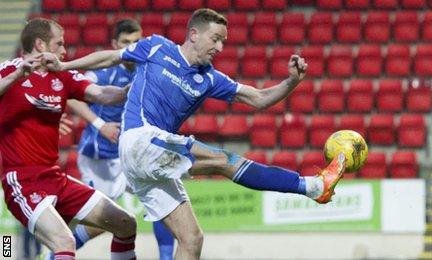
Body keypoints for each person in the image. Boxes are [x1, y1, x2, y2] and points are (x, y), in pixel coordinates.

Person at [44, 8, 346, 259]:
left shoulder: (211, 78)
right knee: (224, 160)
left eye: (224, 42)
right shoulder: (156, 46)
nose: (220, 47)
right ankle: (313, 186)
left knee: (191, 239)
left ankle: (314, 188)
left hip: (147, 161)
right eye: (215, 39)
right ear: (194, 34)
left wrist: (291, 82)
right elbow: (110, 57)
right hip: (139, 139)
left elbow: (258, 98)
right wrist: (65, 65)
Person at [0, 18, 138, 260]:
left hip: (54, 178)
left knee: (125, 222)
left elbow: (103, 95)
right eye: (60, 44)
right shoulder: (10, 70)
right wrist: (16, 76)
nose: (65, 51)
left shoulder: (63, 76)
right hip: (21, 180)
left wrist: (134, 90)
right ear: (41, 44)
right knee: (14, 243)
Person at [62, 19, 175, 260]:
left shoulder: (148, 70)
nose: (132, 46)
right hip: (101, 157)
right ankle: (55, 253)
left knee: (164, 200)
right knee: (102, 222)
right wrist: (100, 125)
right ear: (115, 44)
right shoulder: (103, 73)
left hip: (132, 156)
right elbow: (70, 95)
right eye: (126, 42)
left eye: (136, 41)